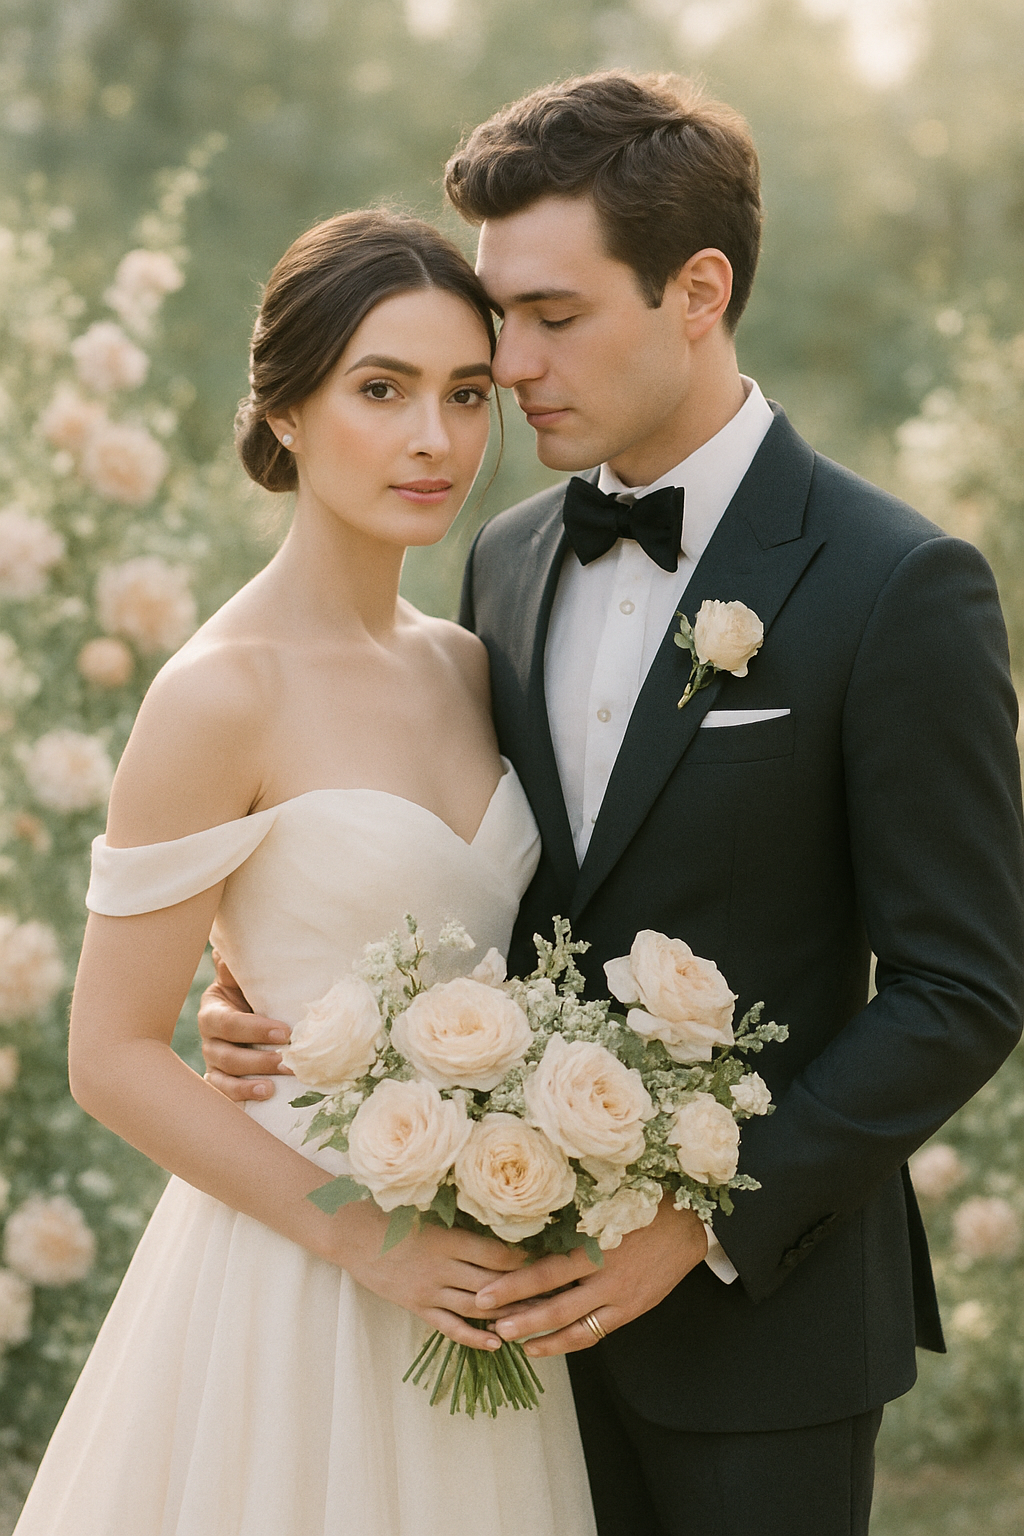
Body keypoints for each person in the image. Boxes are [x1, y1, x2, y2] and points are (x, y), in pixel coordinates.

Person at [201, 74, 1024, 1536]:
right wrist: (281, 991)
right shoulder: (503, 560)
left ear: (698, 289)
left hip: (765, 1338)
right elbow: (477, 882)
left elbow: (964, 985)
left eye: (554, 317)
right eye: (499, 314)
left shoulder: (899, 585)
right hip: (482, 1326)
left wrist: (701, 1218)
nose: (507, 366)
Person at [13, 210, 597, 1536]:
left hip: (483, 1261)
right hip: (292, 1274)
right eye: (380, 391)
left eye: (464, 395)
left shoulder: (467, 661)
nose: (432, 440)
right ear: (284, 412)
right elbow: (108, 1053)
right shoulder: (219, 692)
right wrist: (360, 1236)